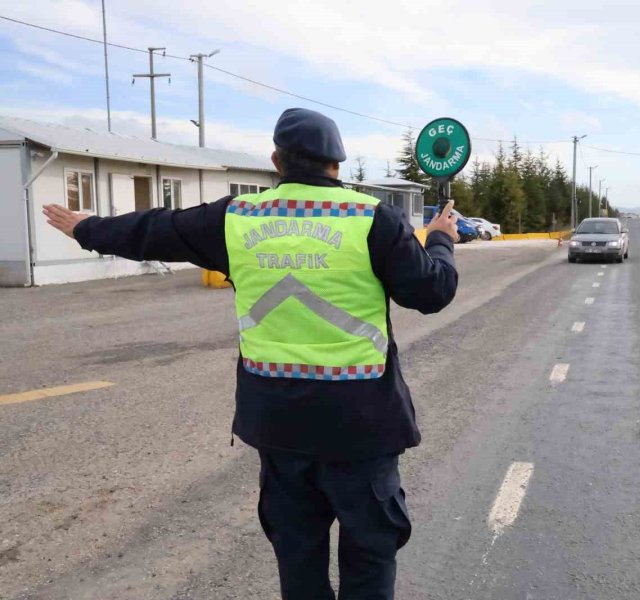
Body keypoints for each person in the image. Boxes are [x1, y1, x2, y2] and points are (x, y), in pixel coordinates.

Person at [42, 108, 459, 600]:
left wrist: (87, 229)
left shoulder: (236, 217)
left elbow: (155, 228)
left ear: (276, 161)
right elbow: (431, 293)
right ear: (336, 164)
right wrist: (441, 241)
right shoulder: (370, 218)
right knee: (369, 555)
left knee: (298, 556)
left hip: (279, 426)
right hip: (361, 427)